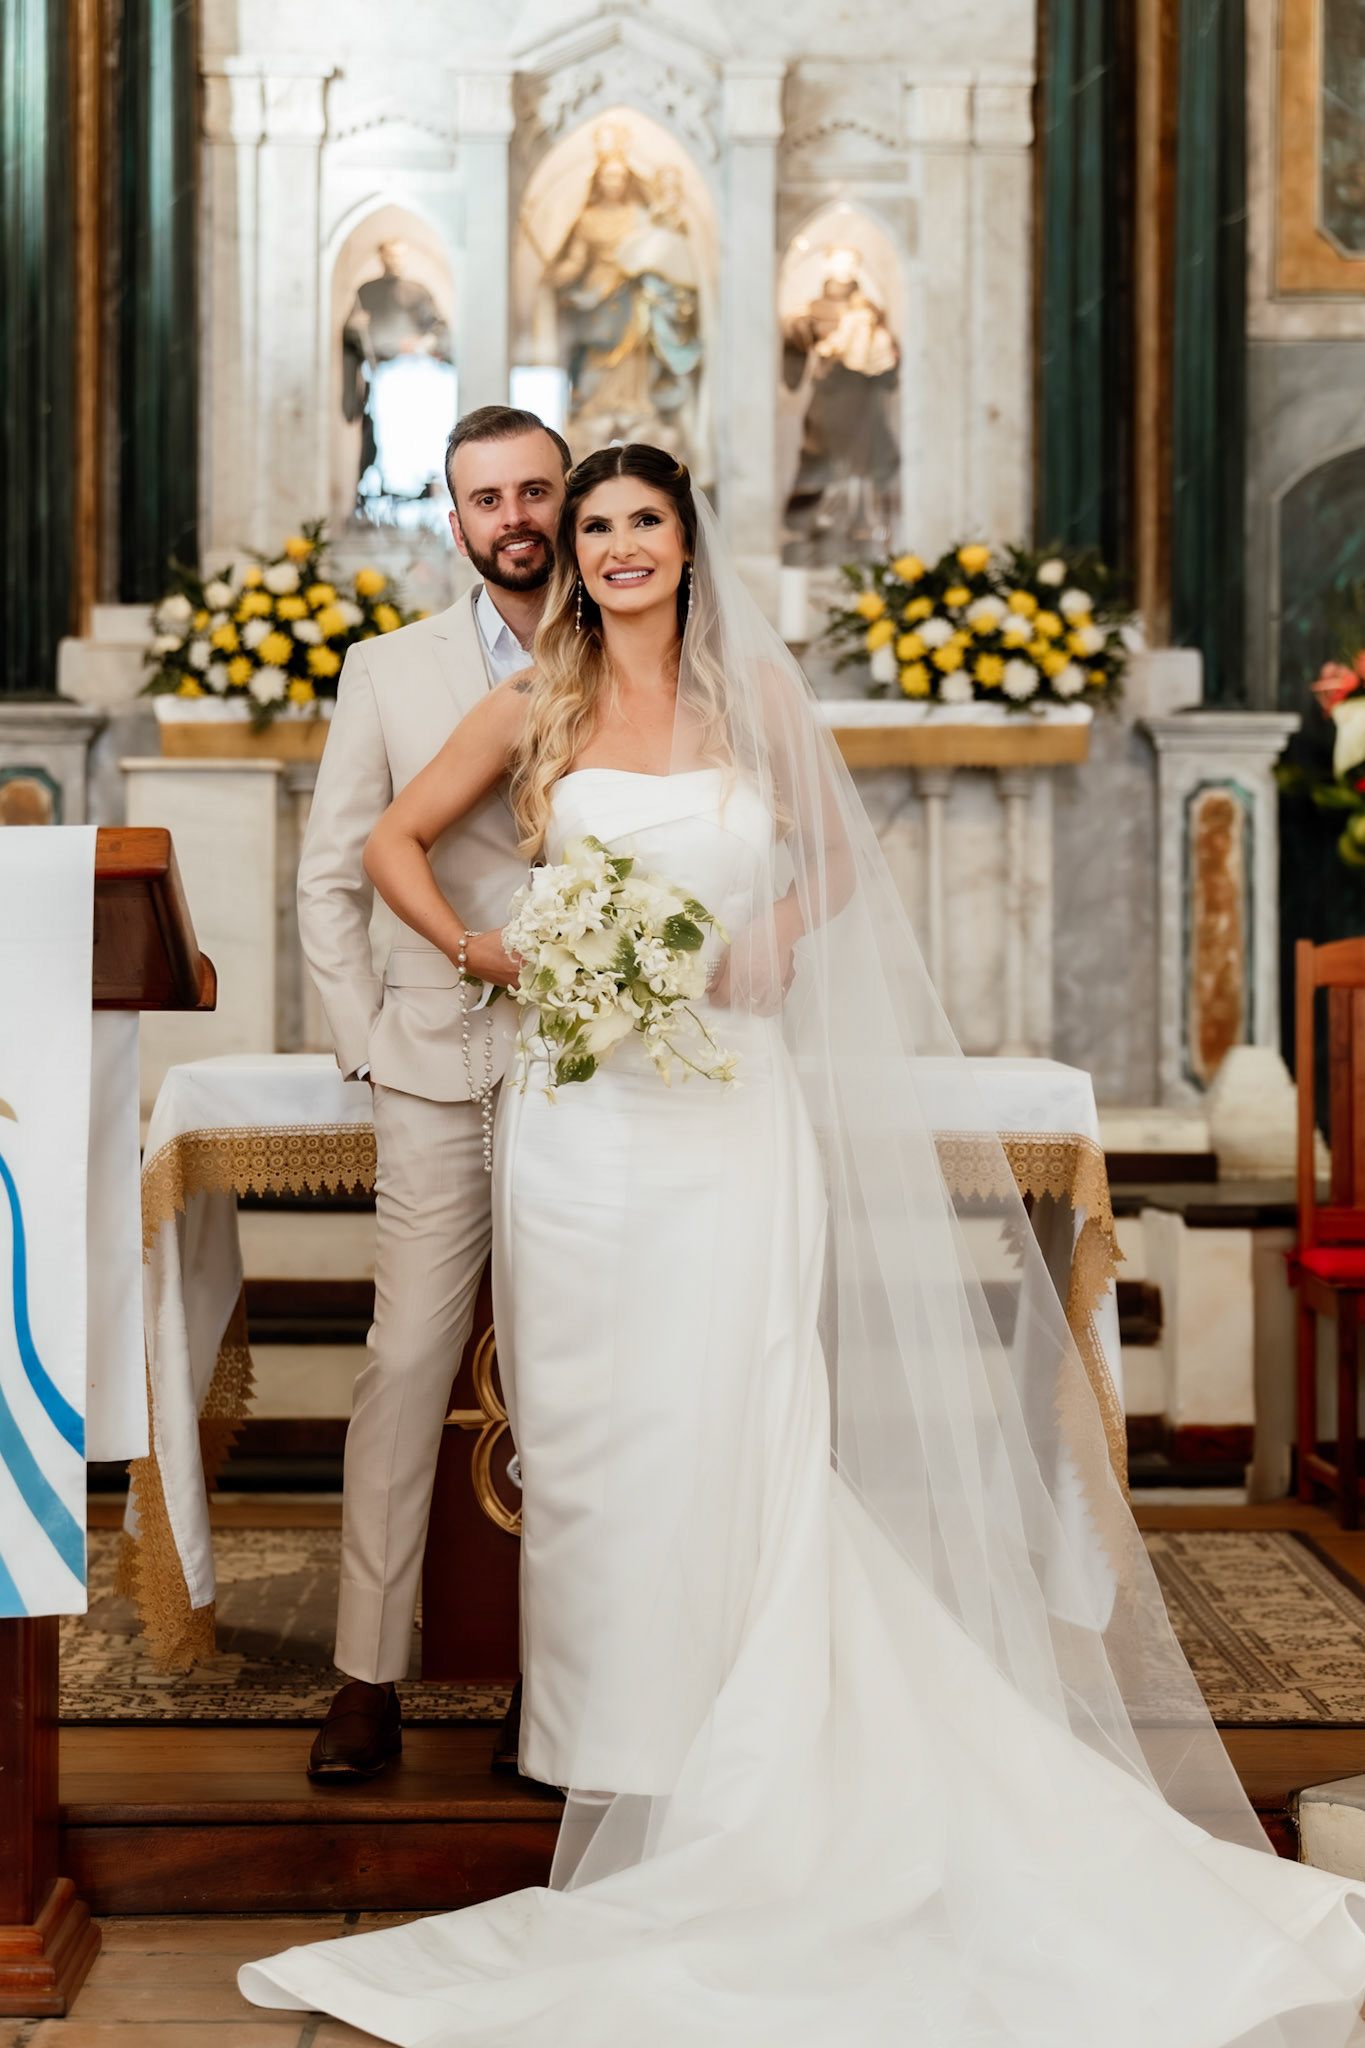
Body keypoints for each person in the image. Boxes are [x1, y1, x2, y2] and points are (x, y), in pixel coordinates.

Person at [247, 444, 1365, 2043]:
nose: (619, 548)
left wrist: (771, 932)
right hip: (579, 1126)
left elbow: (833, 857)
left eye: (643, 522)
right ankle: (599, 1740)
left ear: (689, 545)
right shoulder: (533, 708)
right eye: (595, 529)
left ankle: (741, 1739)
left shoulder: (749, 703)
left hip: (724, 1120)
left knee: (741, 1415)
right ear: (568, 557)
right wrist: (491, 951)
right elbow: (389, 845)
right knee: (586, 1432)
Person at [295, 404, 568, 1780]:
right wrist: (366, 1040)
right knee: (406, 1363)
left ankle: (567, 1676)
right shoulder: (388, 670)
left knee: (572, 1373)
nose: (512, 517)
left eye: (533, 491)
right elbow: (330, 873)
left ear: (568, 499)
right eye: (485, 499)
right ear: (452, 521)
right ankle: (367, 1671)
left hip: (593, 1070)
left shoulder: (632, 649)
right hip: (432, 1064)